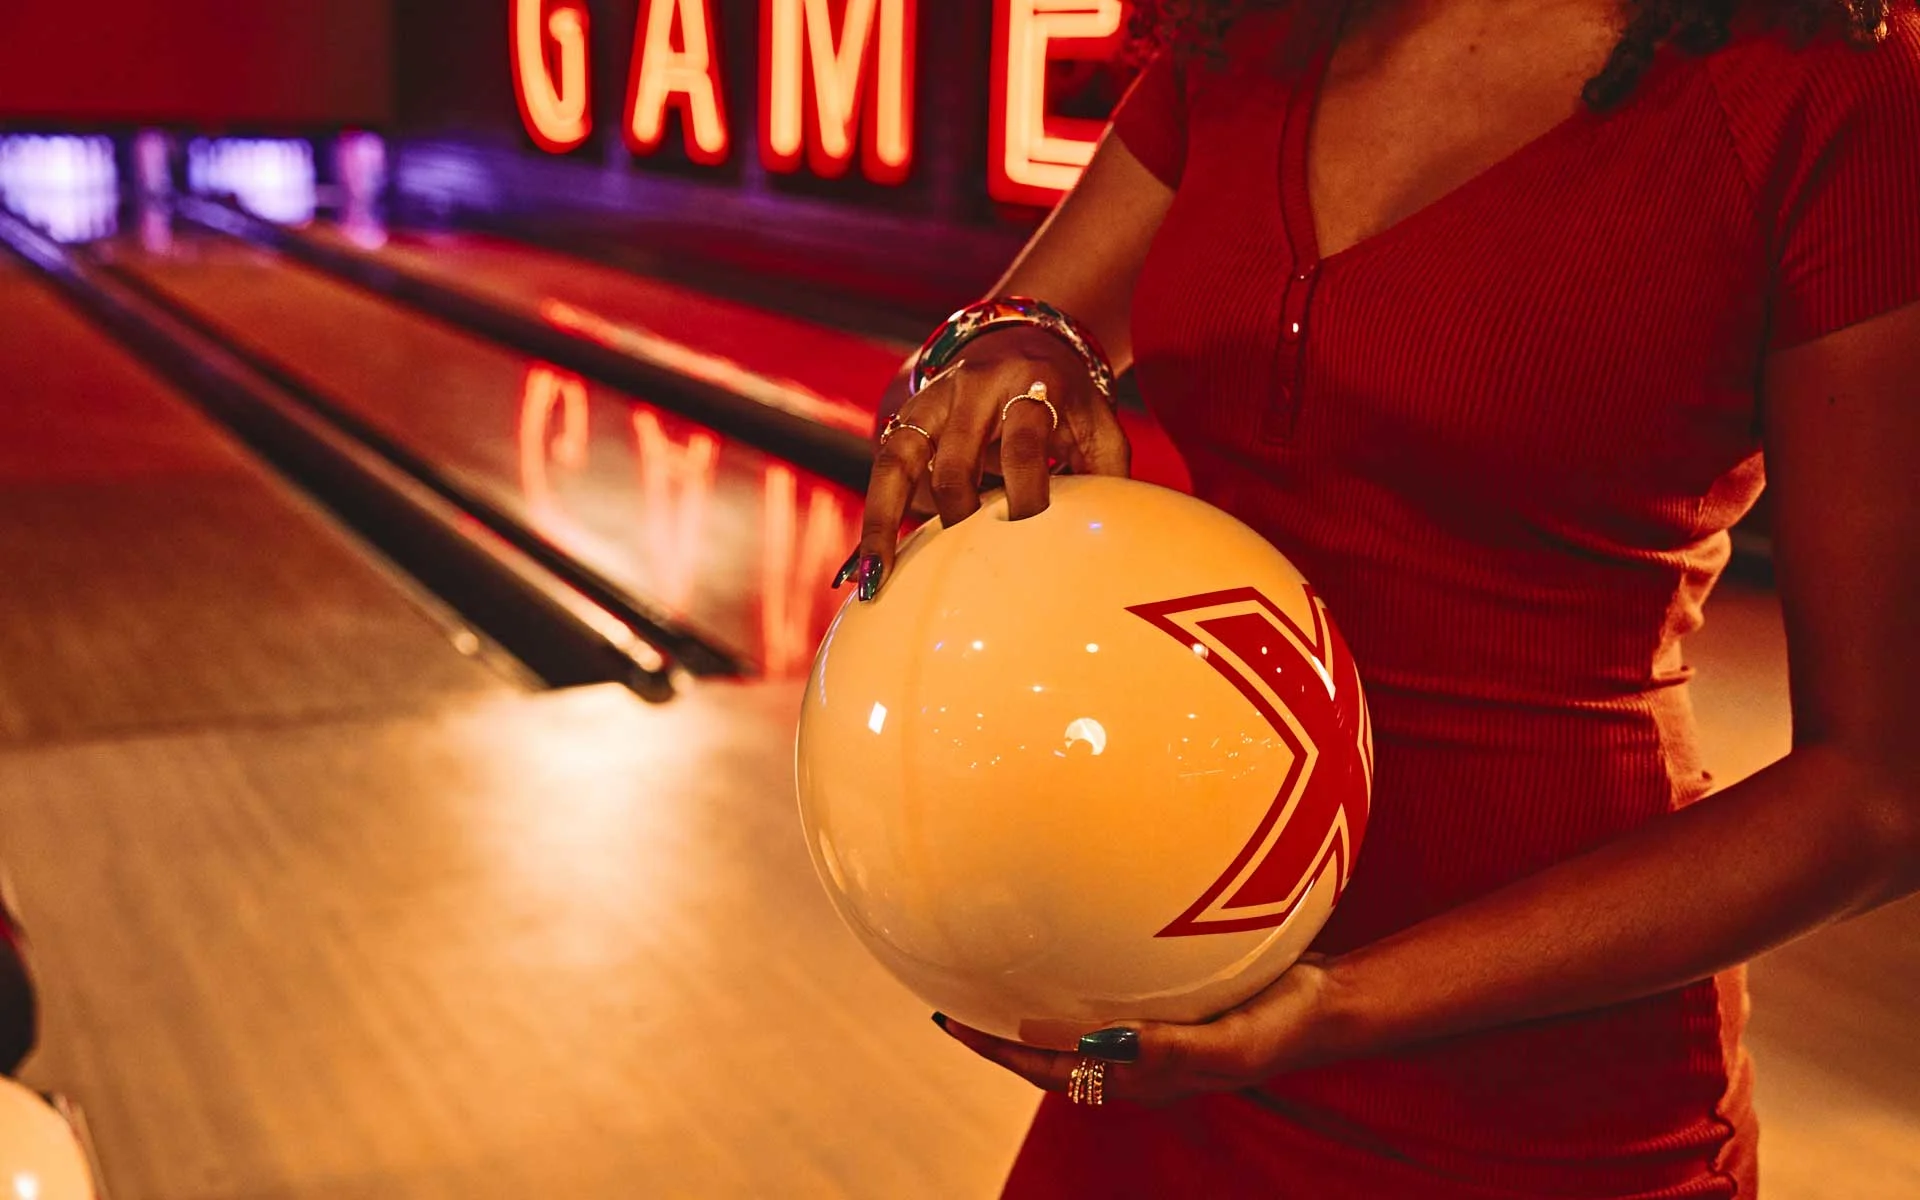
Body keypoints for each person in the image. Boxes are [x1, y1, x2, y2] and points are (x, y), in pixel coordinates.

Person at [841, 0, 1920, 1194]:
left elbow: (1881, 795)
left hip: (1537, 1089)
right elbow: (991, 338)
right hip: (1168, 993)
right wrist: (1010, 361)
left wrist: (1337, 1009)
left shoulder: (1828, 90)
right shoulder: (1252, 36)